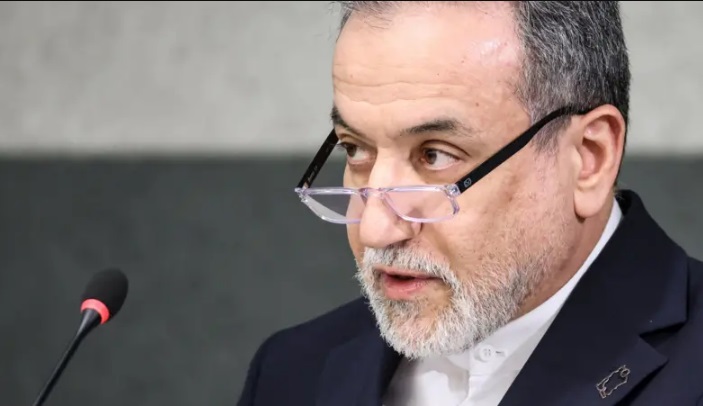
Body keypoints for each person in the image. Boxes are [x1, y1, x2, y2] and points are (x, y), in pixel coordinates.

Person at [238, 1, 703, 405]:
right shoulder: (290, 372)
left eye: (435, 156)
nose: (375, 229)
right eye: (355, 149)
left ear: (589, 159)